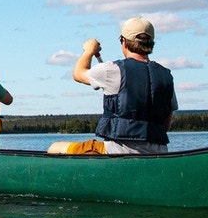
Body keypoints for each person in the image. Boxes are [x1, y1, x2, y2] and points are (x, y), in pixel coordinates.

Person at [69, 17, 177, 154]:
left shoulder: (111, 69)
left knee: (55, 147)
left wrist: (89, 50)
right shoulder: (166, 76)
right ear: (151, 44)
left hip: (117, 151)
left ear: (124, 42)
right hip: (159, 152)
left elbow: (78, 74)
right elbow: (166, 123)